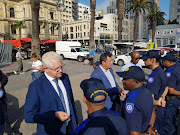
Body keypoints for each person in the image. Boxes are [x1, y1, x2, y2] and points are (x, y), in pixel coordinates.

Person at [24, 51, 78, 135]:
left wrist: (75, 123)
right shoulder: (35, 87)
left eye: (61, 66)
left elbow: (71, 102)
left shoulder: (65, 77)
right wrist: (54, 115)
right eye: (57, 69)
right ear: (46, 69)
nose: (61, 70)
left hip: (70, 128)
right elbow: (29, 116)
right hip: (51, 131)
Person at [116, 66, 154, 134]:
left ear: (136, 82)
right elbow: (153, 110)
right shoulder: (146, 91)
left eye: (126, 79)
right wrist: (150, 128)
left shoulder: (132, 101)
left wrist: (148, 133)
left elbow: (133, 133)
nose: (122, 81)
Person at [141, 50, 168, 134]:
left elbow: (150, 97)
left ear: (153, 60)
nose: (144, 61)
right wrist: (162, 97)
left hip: (154, 111)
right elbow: (166, 86)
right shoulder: (161, 71)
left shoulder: (154, 75)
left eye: (146, 59)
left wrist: (157, 102)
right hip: (160, 110)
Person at [162, 52, 180, 135]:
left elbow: (171, 90)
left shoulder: (170, 71)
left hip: (172, 101)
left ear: (169, 62)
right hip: (177, 100)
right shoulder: (178, 66)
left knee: (169, 125)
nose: (162, 62)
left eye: (164, 61)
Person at [0, 70, 21, 135]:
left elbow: (5, 78)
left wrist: (1, 83)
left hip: (1, 100)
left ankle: (9, 132)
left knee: (4, 116)